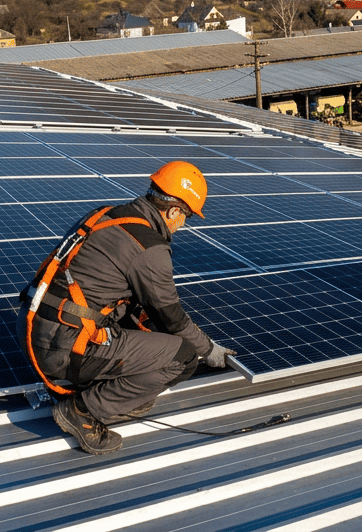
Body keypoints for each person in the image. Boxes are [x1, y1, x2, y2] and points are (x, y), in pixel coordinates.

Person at [17, 160, 236, 454]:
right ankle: (84, 411)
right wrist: (208, 349)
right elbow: (172, 318)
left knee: (141, 319)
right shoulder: (149, 247)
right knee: (183, 357)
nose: (183, 224)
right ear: (173, 211)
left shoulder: (107, 215)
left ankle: (118, 391)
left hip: (35, 327)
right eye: (186, 217)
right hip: (61, 350)